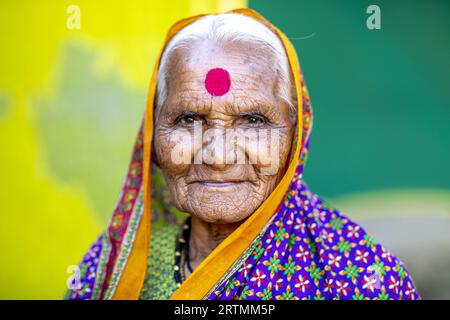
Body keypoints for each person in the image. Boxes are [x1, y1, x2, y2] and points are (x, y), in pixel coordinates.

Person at [66, 8, 419, 300]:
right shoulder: (112, 268)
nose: (218, 156)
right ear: (152, 140)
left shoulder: (360, 280)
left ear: (295, 141)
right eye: (188, 119)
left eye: (253, 120)